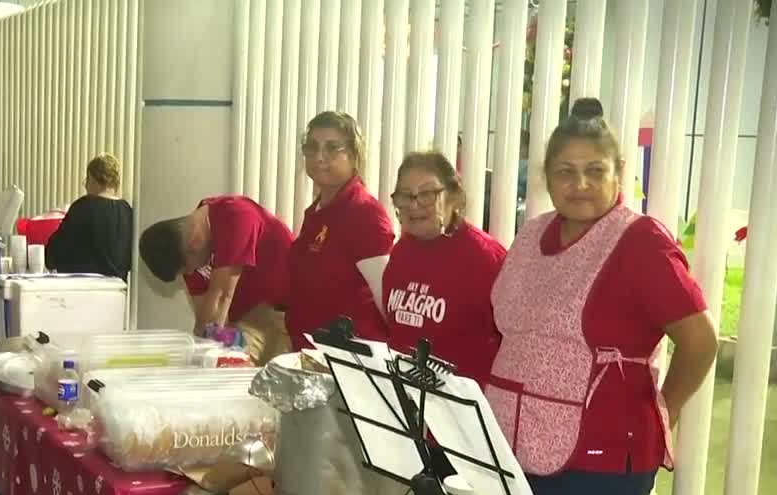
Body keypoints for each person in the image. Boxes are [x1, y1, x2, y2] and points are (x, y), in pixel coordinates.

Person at [487, 98, 717, 495]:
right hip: (515, 448)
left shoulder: (640, 243)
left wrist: (660, 411)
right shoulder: (534, 233)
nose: (579, 183)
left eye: (595, 170)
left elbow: (699, 343)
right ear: (547, 177)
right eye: (565, 170)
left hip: (599, 464)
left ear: (621, 175)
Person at [382, 151, 505, 385]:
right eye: (405, 196)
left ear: (454, 197)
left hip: (462, 408)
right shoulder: (400, 252)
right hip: (406, 402)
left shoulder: (486, 258)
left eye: (427, 194)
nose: (414, 205)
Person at [138, 195, 293, 365]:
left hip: (285, 314)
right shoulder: (189, 248)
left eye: (188, 268)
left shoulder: (236, 216)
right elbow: (205, 322)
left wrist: (208, 349)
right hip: (245, 318)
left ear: (194, 242)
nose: (190, 273)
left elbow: (220, 298)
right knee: (215, 361)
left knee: (231, 368)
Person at [287, 111, 394, 350]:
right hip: (313, 356)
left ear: (355, 156)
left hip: (352, 364)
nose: (320, 157)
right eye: (312, 147)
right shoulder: (316, 211)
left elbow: (386, 301)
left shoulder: (364, 213)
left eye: (332, 148)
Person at [45, 153, 134, 280]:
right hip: (117, 293)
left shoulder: (83, 207)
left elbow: (52, 256)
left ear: (92, 179)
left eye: (87, 181)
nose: (86, 186)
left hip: (83, 291)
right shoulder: (127, 211)